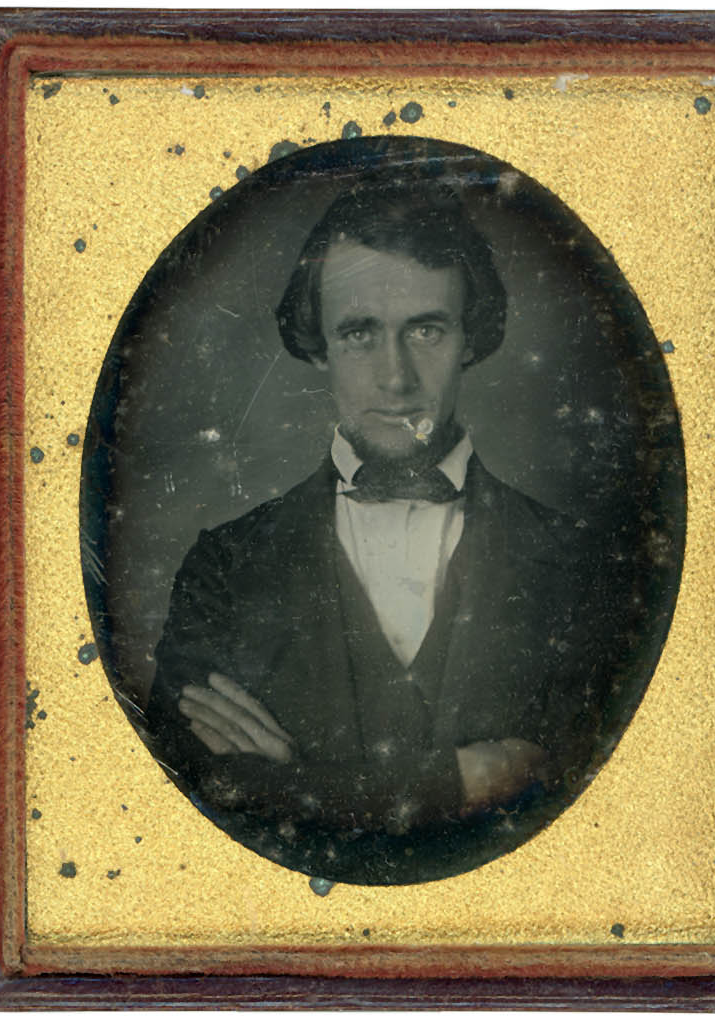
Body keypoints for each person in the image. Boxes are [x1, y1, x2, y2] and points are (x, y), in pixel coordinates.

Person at [144, 173, 609, 884]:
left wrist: (298, 782)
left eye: (426, 329)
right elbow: (192, 795)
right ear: (318, 344)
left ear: (471, 337)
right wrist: (454, 784)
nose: (395, 378)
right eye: (359, 333)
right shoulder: (226, 565)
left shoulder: (579, 562)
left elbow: (581, 799)